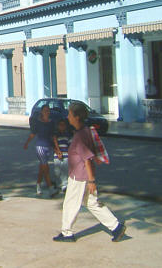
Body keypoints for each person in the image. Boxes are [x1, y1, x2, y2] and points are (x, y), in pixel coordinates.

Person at [53, 101, 126, 243]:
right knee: (92, 203)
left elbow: (87, 159)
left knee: (70, 203)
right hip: (83, 175)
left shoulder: (80, 136)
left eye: (69, 114)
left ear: (77, 117)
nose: (68, 117)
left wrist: (92, 181)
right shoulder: (84, 131)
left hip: (79, 176)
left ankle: (67, 233)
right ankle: (116, 227)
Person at [24, 104, 58, 197]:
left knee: (42, 168)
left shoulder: (51, 123)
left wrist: (57, 148)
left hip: (48, 147)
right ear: (42, 112)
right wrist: (27, 143)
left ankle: (38, 185)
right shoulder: (38, 122)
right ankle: (50, 188)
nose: (47, 112)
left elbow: (53, 136)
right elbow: (33, 134)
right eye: (45, 110)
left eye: (48, 110)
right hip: (40, 146)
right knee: (45, 167)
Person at [53, 119, 72, 193]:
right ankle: (58, 183)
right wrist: (58, 152)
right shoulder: (56, 135)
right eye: (60, 125)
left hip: (66, 154)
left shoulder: (68, 135)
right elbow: (54, 144)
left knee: (65, 170)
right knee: (57, 170)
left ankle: (64, 185)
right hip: (57, 155)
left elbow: (70, 145)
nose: (62, 126)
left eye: (63, 125)